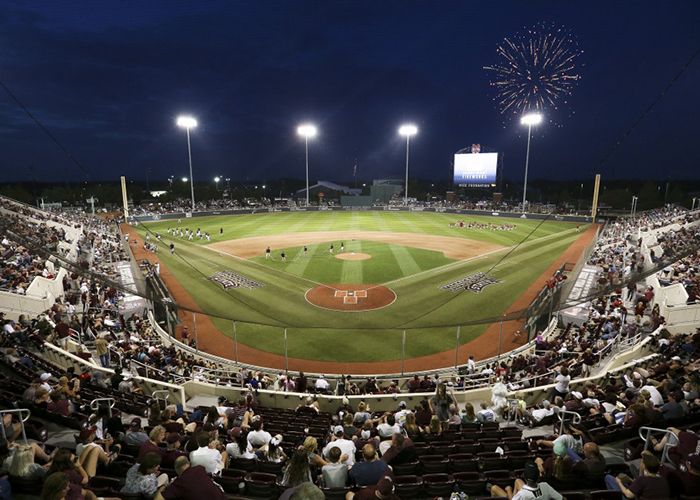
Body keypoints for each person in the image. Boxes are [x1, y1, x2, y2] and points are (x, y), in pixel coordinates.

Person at [605, 450, 670, 499]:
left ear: (644, 466)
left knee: (608, 478)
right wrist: (630, 479)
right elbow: (644, 487)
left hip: (632, 496)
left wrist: (619, 482)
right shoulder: (663, 480)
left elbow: (628, 495)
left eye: (642, 462)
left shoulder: (642, 480)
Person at [490, 461, 562, 499]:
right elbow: (562, 498)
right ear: (538, 478)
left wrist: (508, 490)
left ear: (524, 477)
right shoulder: (545, 486)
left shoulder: (522, 494)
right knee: (517, 481)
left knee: (494, 488)